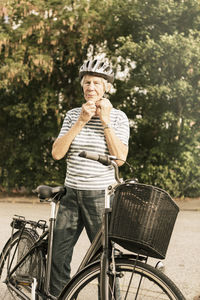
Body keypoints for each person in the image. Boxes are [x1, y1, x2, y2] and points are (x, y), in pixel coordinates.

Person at [50, 58, 130, 296]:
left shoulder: (119, 117)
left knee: (105, 260)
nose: (90, 87)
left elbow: (119, 159)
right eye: (86, 83)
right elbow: (57, 153)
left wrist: (104, 121)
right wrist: (81, 121)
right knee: (58, 256)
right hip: (71, 194)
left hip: (100, 197)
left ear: (106, 87)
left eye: (96, 83)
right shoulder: (73, 114)